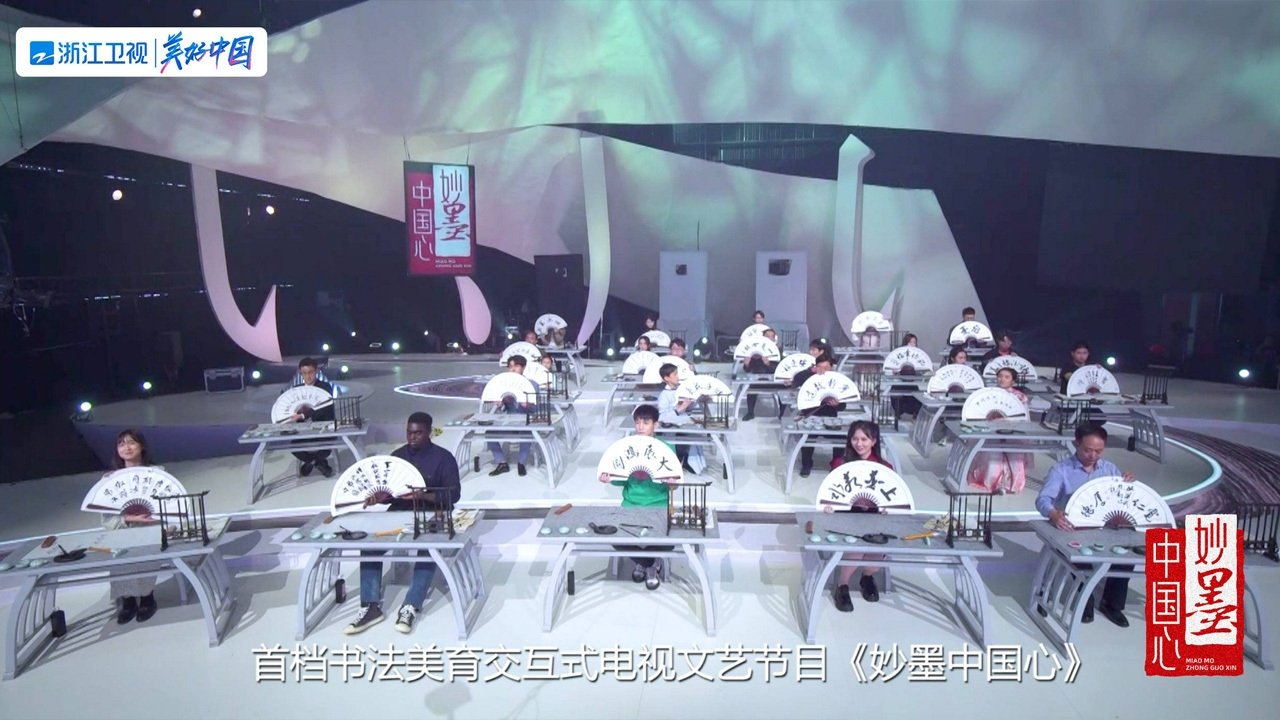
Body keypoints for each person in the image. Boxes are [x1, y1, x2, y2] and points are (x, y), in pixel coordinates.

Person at [346, 412, 462, 635]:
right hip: (399, 512)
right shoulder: (398, 457)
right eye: (409, 432)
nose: (412, 437)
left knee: (427, 548)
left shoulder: (444, 458)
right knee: (370, 545)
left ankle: (410, 605)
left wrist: (423, 495)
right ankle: (370, 607)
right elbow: (390, 492)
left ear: (429, 433)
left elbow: (454, 495)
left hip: (431, 513)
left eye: (418, 433)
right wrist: (378, 498)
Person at [1035, 422, 1135, 627]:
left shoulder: (1109, 469)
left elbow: (1119, 497)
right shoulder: (1061, 470)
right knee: (1082, 559)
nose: (1093, 455)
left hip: (1105, 527)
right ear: (1076, 444)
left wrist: (1127, 485)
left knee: (1125, 558)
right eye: (1088, 450)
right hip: (1072, 527)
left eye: (1099, 451)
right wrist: (1054, 514)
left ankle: (1112, 605)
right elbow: (1043, 499)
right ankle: (1083, 601)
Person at [598, 405, 676, 590]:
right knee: (613, 537)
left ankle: (644, 564)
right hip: (630, 504)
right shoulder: (627, 447)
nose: (640, 427)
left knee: (670, 541)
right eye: (638, 422)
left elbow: (674, 485)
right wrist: (609, 478)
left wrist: (671, 482)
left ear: (655, 425)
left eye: (646, 423)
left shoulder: (667, 448)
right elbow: (620, 481)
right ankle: (651, 564)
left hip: (658, 505)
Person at [825, 420, 891, 611]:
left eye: (864, 439)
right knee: (855, 550)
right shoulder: (840, 463)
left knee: (876, 554)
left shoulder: (884, 467)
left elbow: (891, 496)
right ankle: (842, 585)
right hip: (847, 516)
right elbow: (831, 492)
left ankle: (867, 577)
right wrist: (829, 505)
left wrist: (887, 508)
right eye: (855, 439)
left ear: (874, 441)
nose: (859, 443)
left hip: (874, 518)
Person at [102, 429, 161, 624]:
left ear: (141, 446)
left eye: (131, 443)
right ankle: (127, 601)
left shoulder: (157, 473)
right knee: (120, 553)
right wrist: (126, 518)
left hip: (150, 528)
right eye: (121, 444)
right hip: (121, 529)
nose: (126, 447)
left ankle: (147, 598)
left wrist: (151, 518)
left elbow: (167, 504)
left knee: (146, 546)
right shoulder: (109, 479)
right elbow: (106, 518)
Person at [966, 368, 1033, 494]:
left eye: (1007, 377)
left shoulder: (1019, 397)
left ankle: (1009, 485)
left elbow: (1023, 419)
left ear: (1013, 381)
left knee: (1014, 457)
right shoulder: (989, 394)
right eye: (1000, 376)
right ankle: (991, 483)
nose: (1002, 379)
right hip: (991, 432)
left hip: (1012, 432)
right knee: (992, 457)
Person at [791, 354, 845, 477]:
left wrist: (837, 404)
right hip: (810, 416)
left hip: (830, 418)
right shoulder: (809, 378)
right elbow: (796, 380)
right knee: (807, 437)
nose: (823, 370)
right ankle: (806, 464)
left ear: (832, 367)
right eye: (820, 367)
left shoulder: (837, 382)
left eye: (826, 368)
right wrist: (809, 371)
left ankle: (836, 464)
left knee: (841, 439)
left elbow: (843, 406)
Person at [487, 355, 534, 476]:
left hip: (526, 421)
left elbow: (537, 409)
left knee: (527, 432)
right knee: (489, 433)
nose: (513, 369)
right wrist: (500, 404)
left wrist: (527, 405)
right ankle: (501, 463)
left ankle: (521, 463)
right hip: (509, 421)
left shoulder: (532, 384)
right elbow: (504, 409)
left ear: (523, 367)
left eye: (516, 366)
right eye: (510, 366)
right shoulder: (504, 386)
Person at [290, 357, 336, 477]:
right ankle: (317, 463)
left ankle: (311, 462)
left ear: (316, 371)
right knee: (292, 445)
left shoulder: (325, 387)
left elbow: (324, 408)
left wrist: (303, 414)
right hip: (302, 428)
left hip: (323, 426)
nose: (308, 376)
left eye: (310, 372)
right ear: (301, 373)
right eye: (304, 373)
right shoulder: (296, 389)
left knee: (327, 444)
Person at [657, 363, 696, 471]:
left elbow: (690, 407)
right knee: (678, 439)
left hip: (684, 421)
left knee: (694, 434)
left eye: (677, 374)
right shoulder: (664, 395)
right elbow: (662, 416)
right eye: (675, 374)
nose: (678, 377)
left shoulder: (682, 389)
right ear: (666, 378)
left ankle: (687, 461)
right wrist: (679, 409)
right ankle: (677, 462)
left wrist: (692, 401)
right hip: (671, 426)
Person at [743, 328, 780, 421]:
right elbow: (748, 369)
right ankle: (750, 413)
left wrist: (768, 363)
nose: (769, 338)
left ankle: (782, 414)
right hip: (759, 380)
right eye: (767, 336)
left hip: (775, 380)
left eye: (772, 336)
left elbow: (780, 369)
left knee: (785, 388)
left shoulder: (778, 350)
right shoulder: (756, 350)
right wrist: (746, 364)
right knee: (751, 388)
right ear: (763, 337)